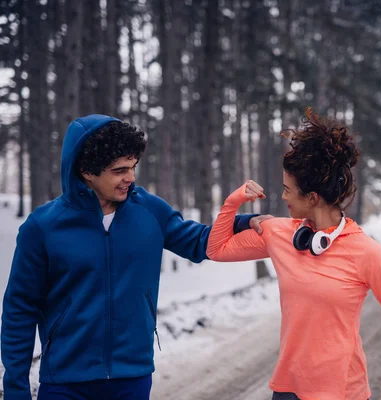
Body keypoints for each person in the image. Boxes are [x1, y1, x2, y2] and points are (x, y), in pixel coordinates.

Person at [1, 115, 267, 400]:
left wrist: (242, 223)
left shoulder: (148, 211)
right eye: (119, 170)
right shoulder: (43, 227)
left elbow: (200, 241)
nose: (130, 177)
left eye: (132, 167)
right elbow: (20, 309)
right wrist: (17, 390)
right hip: (65, 382)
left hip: (132, 378)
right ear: (87, 171)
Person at [207, 108, 381, 400]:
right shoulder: (280, 234)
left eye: (287, 190)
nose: (282, 197)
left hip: (343, 393)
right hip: (286, 391)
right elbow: (216, 249)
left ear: (311, 198)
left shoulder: (366, 252)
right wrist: (234, 202)